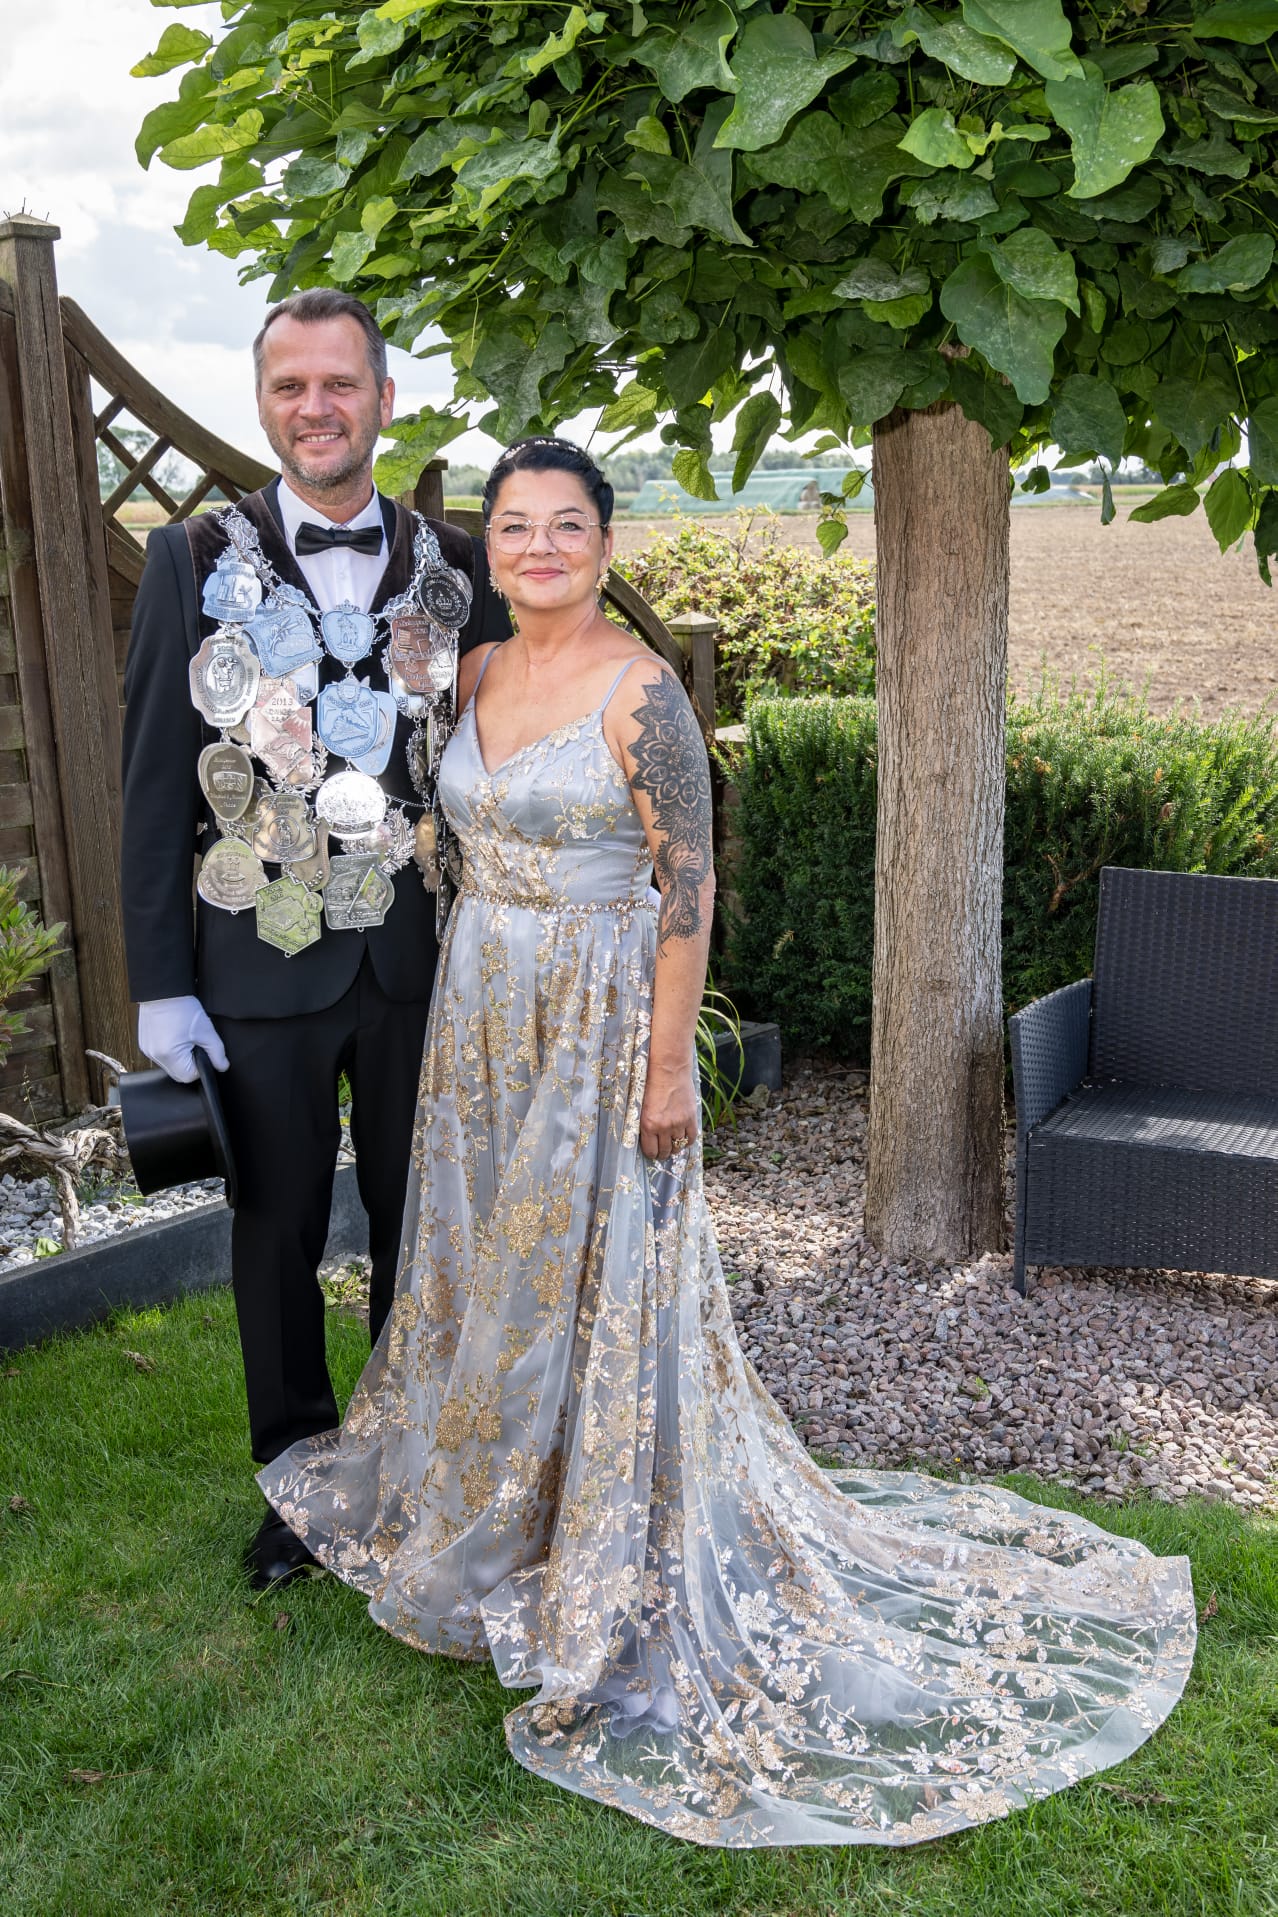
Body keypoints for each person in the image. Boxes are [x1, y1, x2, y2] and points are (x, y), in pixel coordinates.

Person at [258, 438, 1196, 1847]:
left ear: (605, 543)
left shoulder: (642, 694)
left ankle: (607, 1533)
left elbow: (687, 890)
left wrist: (665, 1072)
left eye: (565, 525)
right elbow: (425, 824)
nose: (538, 547)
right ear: (487, 549)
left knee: (602, 1274)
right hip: (482, 1015)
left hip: (599, 1021)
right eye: (513, 527)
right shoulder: (472, 671)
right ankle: (504, 1509)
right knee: (493, 1266)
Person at [120, 290, 508, 1590]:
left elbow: (500, 760)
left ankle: (405, 1467)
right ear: (263, 402)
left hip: (420, 963)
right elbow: (151, 783)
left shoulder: (460, 564)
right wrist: (162, 983)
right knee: (274, 1225)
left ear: (384, 399)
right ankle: (295, 1487)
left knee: (420, 1224)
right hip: (255, 961)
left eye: (340, 383)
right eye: (290, 386)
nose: (316, 407)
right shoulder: (189, 560)